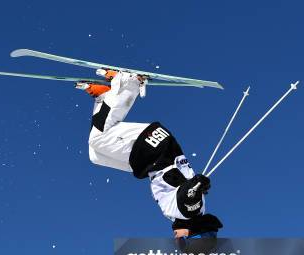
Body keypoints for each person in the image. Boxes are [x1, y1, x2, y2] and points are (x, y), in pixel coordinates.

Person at [76, 70, 223, 240]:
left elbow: (191, 195)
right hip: (153, 148)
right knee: (98, 140)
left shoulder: (191, 213)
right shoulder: (187, 211)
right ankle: (128, 83)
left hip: (152, 156)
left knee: (96, 156)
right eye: (184, 241)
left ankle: (105, 97)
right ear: (192, 232)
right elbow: (188, 195)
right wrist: (198, 185)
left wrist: (198, 186)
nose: (177, 240)